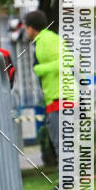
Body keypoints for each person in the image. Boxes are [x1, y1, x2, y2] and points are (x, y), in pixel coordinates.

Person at [23, 11, 67, 160]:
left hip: (61, 97)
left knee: (61, 144)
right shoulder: (44, 40)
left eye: (25, 27)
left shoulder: (47, 40)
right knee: (60, 143)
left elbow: (67, 62)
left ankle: (68, 182)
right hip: (55, 98)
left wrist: (39, 69)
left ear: (30, 28)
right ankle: (67, 181)